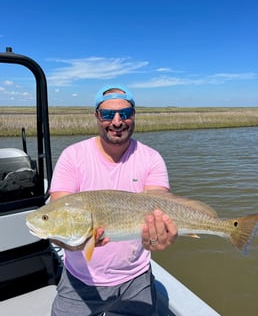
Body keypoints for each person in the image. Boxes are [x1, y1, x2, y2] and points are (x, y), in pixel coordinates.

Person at [49, 85, 178, 316]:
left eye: (125, 114)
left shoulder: (152, 159)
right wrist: (74, 243)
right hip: (80, 280)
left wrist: (157, 239)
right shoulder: (72, 156)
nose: (117, 121)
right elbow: (59, 222)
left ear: (133, 115)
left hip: (136, 279)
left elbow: (161, 209)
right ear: (97, 116)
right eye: (108, 114)